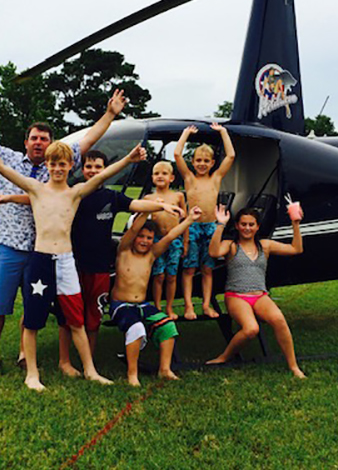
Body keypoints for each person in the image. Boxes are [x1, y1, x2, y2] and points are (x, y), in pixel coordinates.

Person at [0, 89, 127, 380]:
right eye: (34, 138)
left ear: (54, 149)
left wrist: (110, 114)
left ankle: (27, 357)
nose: (39, 143)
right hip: (10, 245)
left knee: (35, 308)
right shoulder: (12, 161)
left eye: (44, 139)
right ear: (26, 142)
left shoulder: (58, 163)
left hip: (46, 250)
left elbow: (90, 141)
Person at [2, 150, 184, 375]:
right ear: (81, 169)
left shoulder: (111, 196)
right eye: (89, 166)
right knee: (65, 316)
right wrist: (10, 198)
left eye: (98, 167)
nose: (93, 171)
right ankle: (65, 361)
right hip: (73, 263)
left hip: (99, 266)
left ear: (104, 169)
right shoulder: (76, 194)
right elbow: (38, 198)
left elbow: (136, 205)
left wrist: (160, 206)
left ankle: (90, 363)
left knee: (91, 317)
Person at [206, 204, 306, 378]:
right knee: (251, 329)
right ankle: (224, 356)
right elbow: (214, 252)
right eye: (243, 224)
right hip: (236, 295)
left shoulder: (265, 245)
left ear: (257, 226)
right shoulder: (231, 246)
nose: (247, 228)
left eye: (251, 224)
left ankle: (293, 366)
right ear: (237, 226)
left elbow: (296, 249)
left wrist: (295, 224)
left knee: (279, 320)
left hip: (260, 295)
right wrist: (220, 225)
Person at [110, 206, 202, 386]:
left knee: (167, 326)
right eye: (141, 237)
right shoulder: (123, 252)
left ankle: (164, 369)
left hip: (142, 305)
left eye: (149, 238)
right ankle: (132, 373)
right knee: (136, 328)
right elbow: (134, 228)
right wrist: (145, 211)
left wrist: (190, 219)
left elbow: (169, 237)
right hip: (121, 305)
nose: (144, 241)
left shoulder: (151, 255)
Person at [174, 123, 236, 320]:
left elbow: (231, 156)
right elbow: (176, 155)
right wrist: (185, 134)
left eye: (206, 161)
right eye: (198, 160)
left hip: (211, 227)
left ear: (212, 163)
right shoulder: (189, 178)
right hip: (192, 227)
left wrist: (223, 132)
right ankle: (189, 306)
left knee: (208, 269)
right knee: (190, 269)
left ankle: (207, 305)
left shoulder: (216, 178)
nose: (202, 163)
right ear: (192, 161)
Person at [142, 161, 188, 320]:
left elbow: (185, 221)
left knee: (171, 275)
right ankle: (157, 306)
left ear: (172, 178)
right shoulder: (149, 197)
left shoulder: (178, 196)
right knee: (158, 275)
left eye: (164, 173)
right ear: (152, 177)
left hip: (175, 241)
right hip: (157, 241)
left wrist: (186, 242)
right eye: (156, 173)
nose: (160, 176)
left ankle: (169, 307)